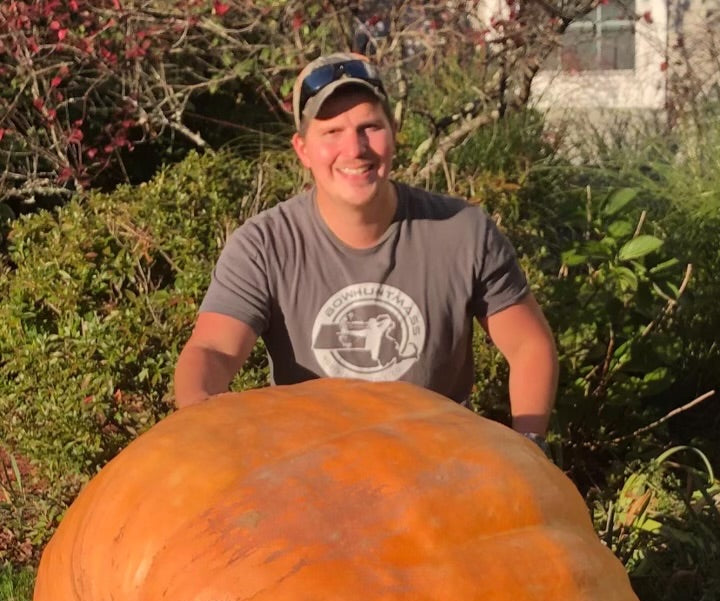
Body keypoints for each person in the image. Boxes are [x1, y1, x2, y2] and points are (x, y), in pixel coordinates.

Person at [174, 52, 559, 451]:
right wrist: (201, 427)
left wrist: (528, 446)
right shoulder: (263, 245)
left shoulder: (463, 231)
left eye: (369, 127)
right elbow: (213, 350)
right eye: (332, 132)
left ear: (394, 132)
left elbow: (528, 346)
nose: (354, 148)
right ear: (302, 149)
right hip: (306, 468)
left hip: (441, 465)